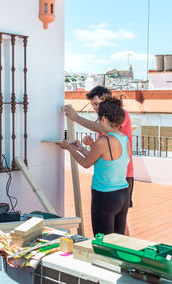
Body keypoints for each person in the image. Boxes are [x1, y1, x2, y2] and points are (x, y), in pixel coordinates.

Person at [64, 85, 134, 236]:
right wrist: (86, 148)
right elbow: (101, 157)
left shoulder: (120, 115)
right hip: (121, 189)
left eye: (97, 104)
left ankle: (128, 250)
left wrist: (69, 147)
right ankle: (125, 254)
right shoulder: (124, 140)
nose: (96, 108)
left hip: (108, 191)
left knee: (104, 241)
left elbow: (87, 162)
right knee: (117, 236)